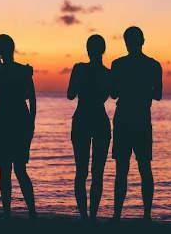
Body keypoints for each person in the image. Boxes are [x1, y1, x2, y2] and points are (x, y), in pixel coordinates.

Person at [110, 26, 162, 222]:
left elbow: (113, 93)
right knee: (144, 168)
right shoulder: (153, 65)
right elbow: (157, 94)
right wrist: (142, 90)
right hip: (140, 119)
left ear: (126, 42)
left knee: (122, 170)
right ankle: (146, 216)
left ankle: (117, 216)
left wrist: (127, 87)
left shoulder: (118, 65)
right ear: (143, 41)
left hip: (124, 118)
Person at [0, 34, 37, 218]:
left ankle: (13, 211)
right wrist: (31, 123)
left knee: (9, 169)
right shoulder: (19, 71)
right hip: (14, 118)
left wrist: (31, 124)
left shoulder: (1, 71)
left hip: (7, 118)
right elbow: (32, 100)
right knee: (16, 168)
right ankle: (28, 211)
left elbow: (32, 99)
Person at [67, 35, 111, 223]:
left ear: (88, 50)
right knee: (97, 173)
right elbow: (113, 94)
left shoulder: (79, 69)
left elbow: (70, 95)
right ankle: (92, 216)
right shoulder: (107, 73)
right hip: (99, 119)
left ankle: (84, 216)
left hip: (82, 119)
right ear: (103, 50)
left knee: (81, 171)